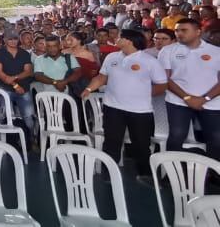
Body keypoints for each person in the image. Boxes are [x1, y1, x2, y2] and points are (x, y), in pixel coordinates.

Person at [82, 29, 167, 179]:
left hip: (140, 111)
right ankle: (108, 174)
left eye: (120, 37)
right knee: (111, 143)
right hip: (113, 107)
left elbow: (161, 85)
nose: (116, 38)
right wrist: (89, 88)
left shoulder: (149, 61)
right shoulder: (111, 57)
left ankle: (145, 174)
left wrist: (142, 93)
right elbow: (102, 78)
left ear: (129, 41)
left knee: (141, 145)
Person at [160, 18, 220, 161]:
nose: (179, 33)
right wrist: (187, 98)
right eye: (177, 30)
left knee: (216, 139)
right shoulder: (167, 50)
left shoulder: (216, 51)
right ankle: (172, 175)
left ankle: (214, 175)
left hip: (211, 102)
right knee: (176, 136)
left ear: (198, 31)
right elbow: (165, 79)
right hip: (178, 101)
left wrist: (205, 98)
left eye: (184, 30)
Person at [0, 31, 36, 150]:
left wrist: (15, 77)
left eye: (15, 39)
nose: (13, 41)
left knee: (29, 118)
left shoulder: (25, 53)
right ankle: (0, 140)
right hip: (6, 89)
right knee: (2, 114)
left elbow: (28, 71)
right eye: (10, 39)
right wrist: (16, 86)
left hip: (24, 88)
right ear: (5, 40)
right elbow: (0, 74)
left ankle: (30, 139)